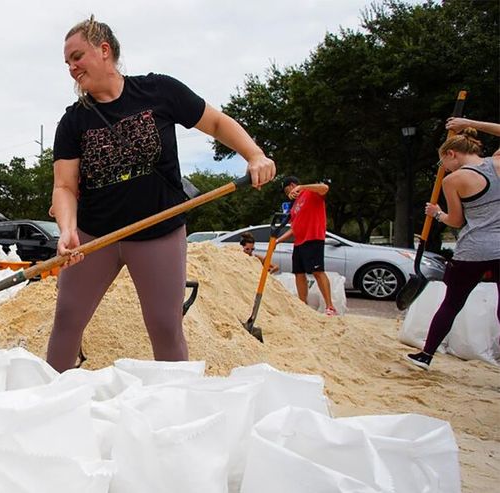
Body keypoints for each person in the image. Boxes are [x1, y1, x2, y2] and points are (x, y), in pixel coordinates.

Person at [47, 16, 276, 372]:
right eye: (67, 63)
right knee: (67, 319)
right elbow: (64, 186)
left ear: (104, 50)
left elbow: (215, 122)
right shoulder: (73, 121)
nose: (72, 68)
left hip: (159, 231)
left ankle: (176, 398)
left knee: (165, 326)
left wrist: (255, 155)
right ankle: (50, 394)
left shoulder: (159, 91)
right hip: (95, 236)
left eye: (77, 57)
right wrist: (67, 230)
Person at [406, 128, 499, 370]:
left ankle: (426, 355)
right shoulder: (497, 162)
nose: (443, 168)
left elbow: (456, 221)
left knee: (451, 304)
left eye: (442, 162)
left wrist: (437, 213)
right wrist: (470, 122)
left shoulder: (453, 180)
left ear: (452, 154)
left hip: (474, 250)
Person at [276, 176, 336, 315]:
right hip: (299, 242)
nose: (287, 194)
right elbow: (294, 228)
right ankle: (303, 304)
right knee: (299, 273)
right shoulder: (294, 207)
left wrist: (302, 187)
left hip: (313, 238)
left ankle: (330, 307)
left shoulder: (310, 193)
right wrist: (278, 241)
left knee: (317, 271)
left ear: (292, 185)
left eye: (287, 190)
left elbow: (325, 188)